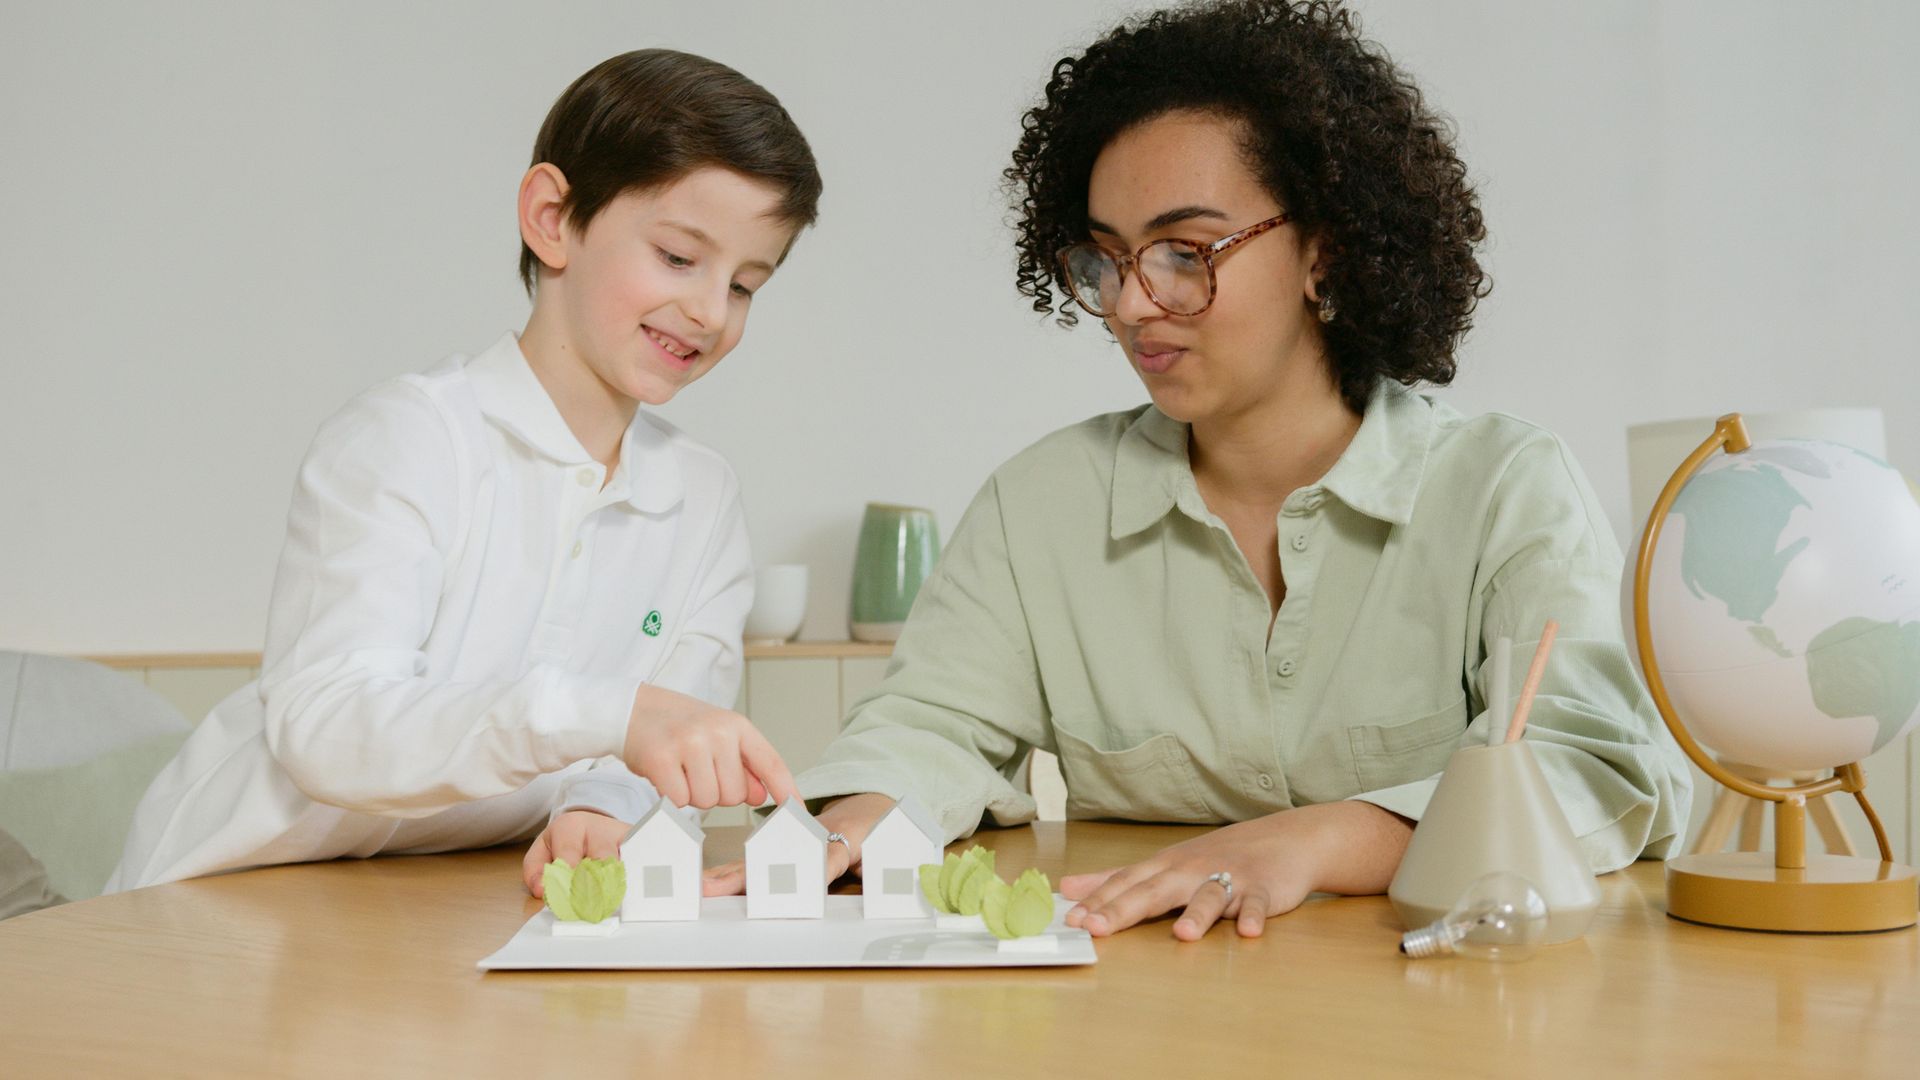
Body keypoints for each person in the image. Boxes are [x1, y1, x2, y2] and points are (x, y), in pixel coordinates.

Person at [555, 0, 1692, 938]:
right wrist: (846, 829)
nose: (1135, 303)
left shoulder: (1503, 488)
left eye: (1186, 254)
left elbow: (1596, 771)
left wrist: (1312, 840)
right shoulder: (1042, 507)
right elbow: (936, 727)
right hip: (1139, 1007)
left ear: (1325, 249)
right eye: (1106, 260)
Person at [109, 49, 821, 892]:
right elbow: (330, 729)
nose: (709, 310)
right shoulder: (408, 439)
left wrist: (603, 807)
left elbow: (665, 738)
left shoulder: (702, 499)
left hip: (442, 898)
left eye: (745, 285)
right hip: (226, 895)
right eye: (677, 256)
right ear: (552, 217)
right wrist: (613, 716)